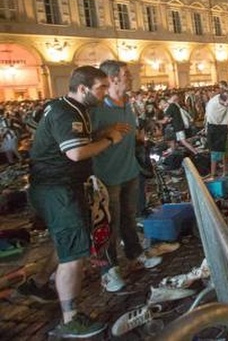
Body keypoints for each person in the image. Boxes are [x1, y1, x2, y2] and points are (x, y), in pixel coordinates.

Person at [26, 66, 129, 338]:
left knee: (67, 241)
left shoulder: (71, 108)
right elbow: (76, 152)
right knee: (75, 254)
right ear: (83, 89)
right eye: (101, 88)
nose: (106, 92)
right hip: (57, 189)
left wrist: (102, 131)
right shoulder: (67, 112)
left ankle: (36, 284)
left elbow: (73, 142)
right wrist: (109, 138)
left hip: (58, 187)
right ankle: (71, 318)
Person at [91, 60, 162, 293]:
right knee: (108, 225)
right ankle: (108, 270)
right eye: (126, 74)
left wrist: (139, 139)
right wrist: (106, 134)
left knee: (129, 218)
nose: (130, 77)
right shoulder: (97, 106)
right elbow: (85, 139)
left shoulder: (128, 103)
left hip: (129, 171)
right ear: (112, 79)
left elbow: (129, 132)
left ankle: (134, 254)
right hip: (106, 175)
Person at [205, 90, 228, 177]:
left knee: (226, 151)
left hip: (223, 126)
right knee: (215, 152)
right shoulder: (212, 106)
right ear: (222, 100)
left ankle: (226, 171)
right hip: (214, 128)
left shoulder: (225, 101)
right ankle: (213, 174)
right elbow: (213, 123)